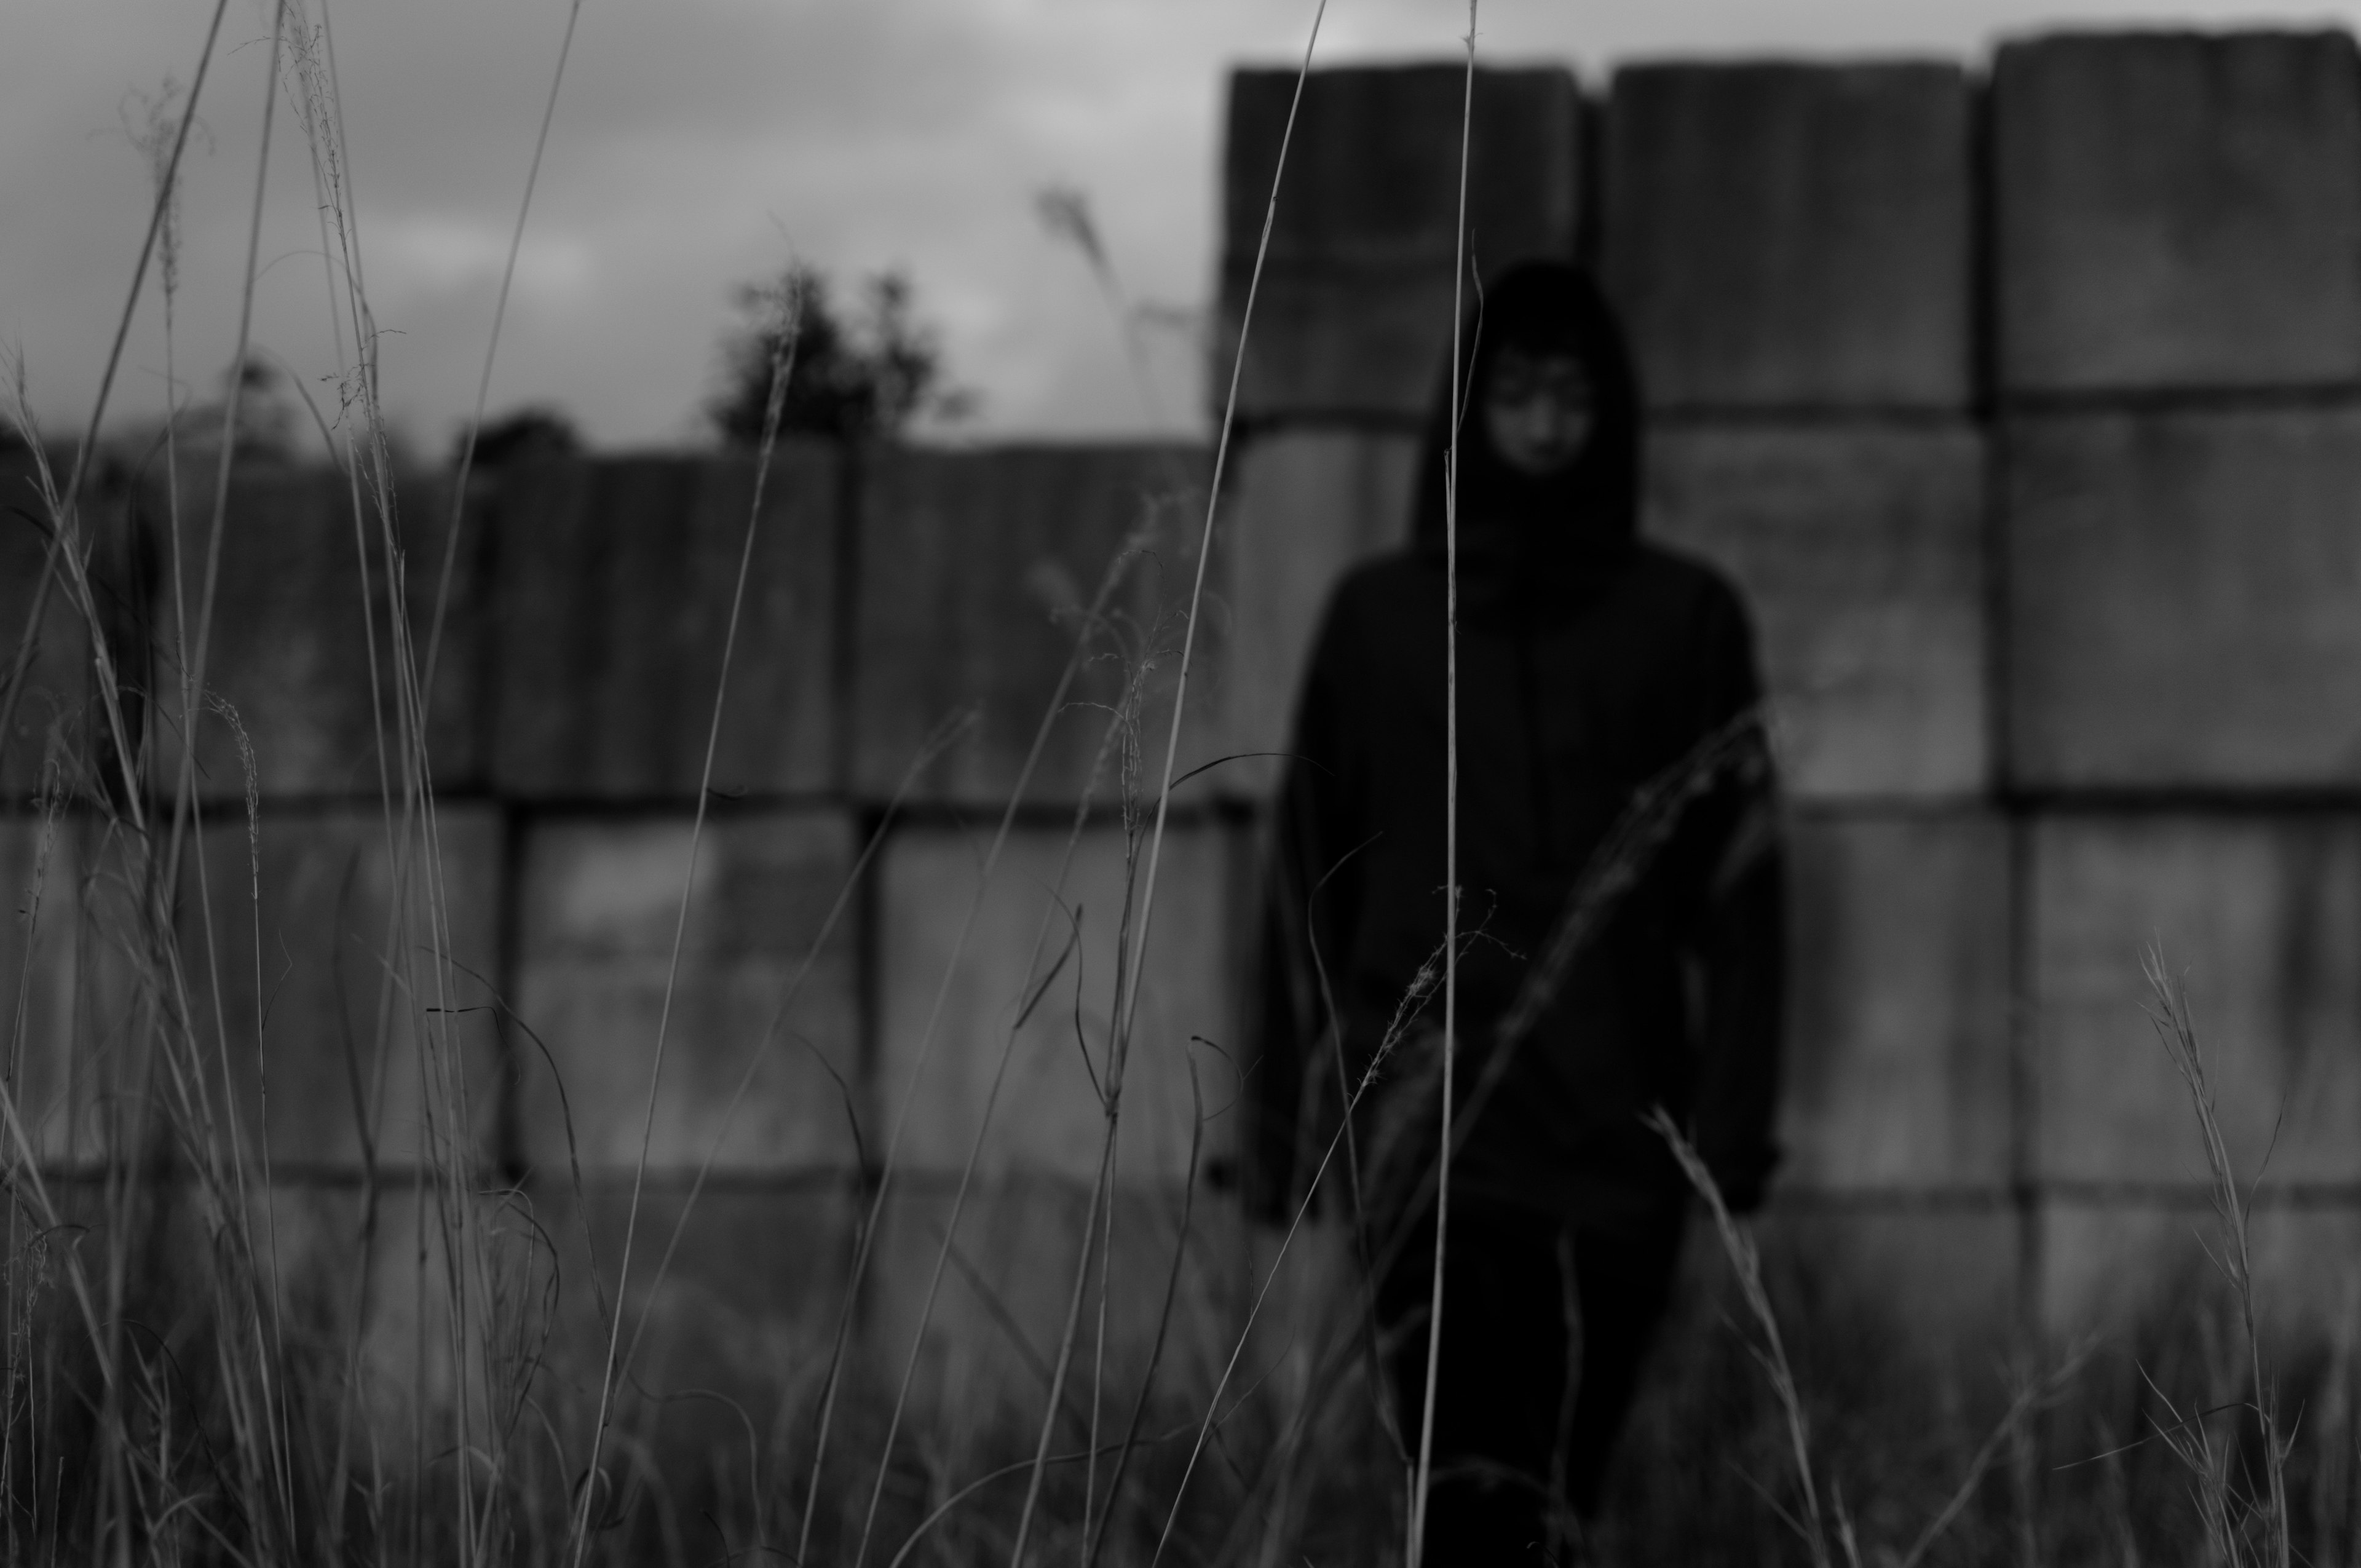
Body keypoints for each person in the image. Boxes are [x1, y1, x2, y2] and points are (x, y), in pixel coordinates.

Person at [1250, 260, 1785, 1564]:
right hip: (1422, 1145)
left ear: (1614, 415)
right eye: (1518, 395)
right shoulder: (1382, 619)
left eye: (1574, 397)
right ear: (1467, 408)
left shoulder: (1688, 617)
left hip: (1617, 1145)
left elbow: (1749, 894)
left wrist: (1728, 1137)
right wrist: (1282, 1139)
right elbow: (1301, 879)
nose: (1546, 426)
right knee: (1457, 1497)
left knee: (1556, 1496)